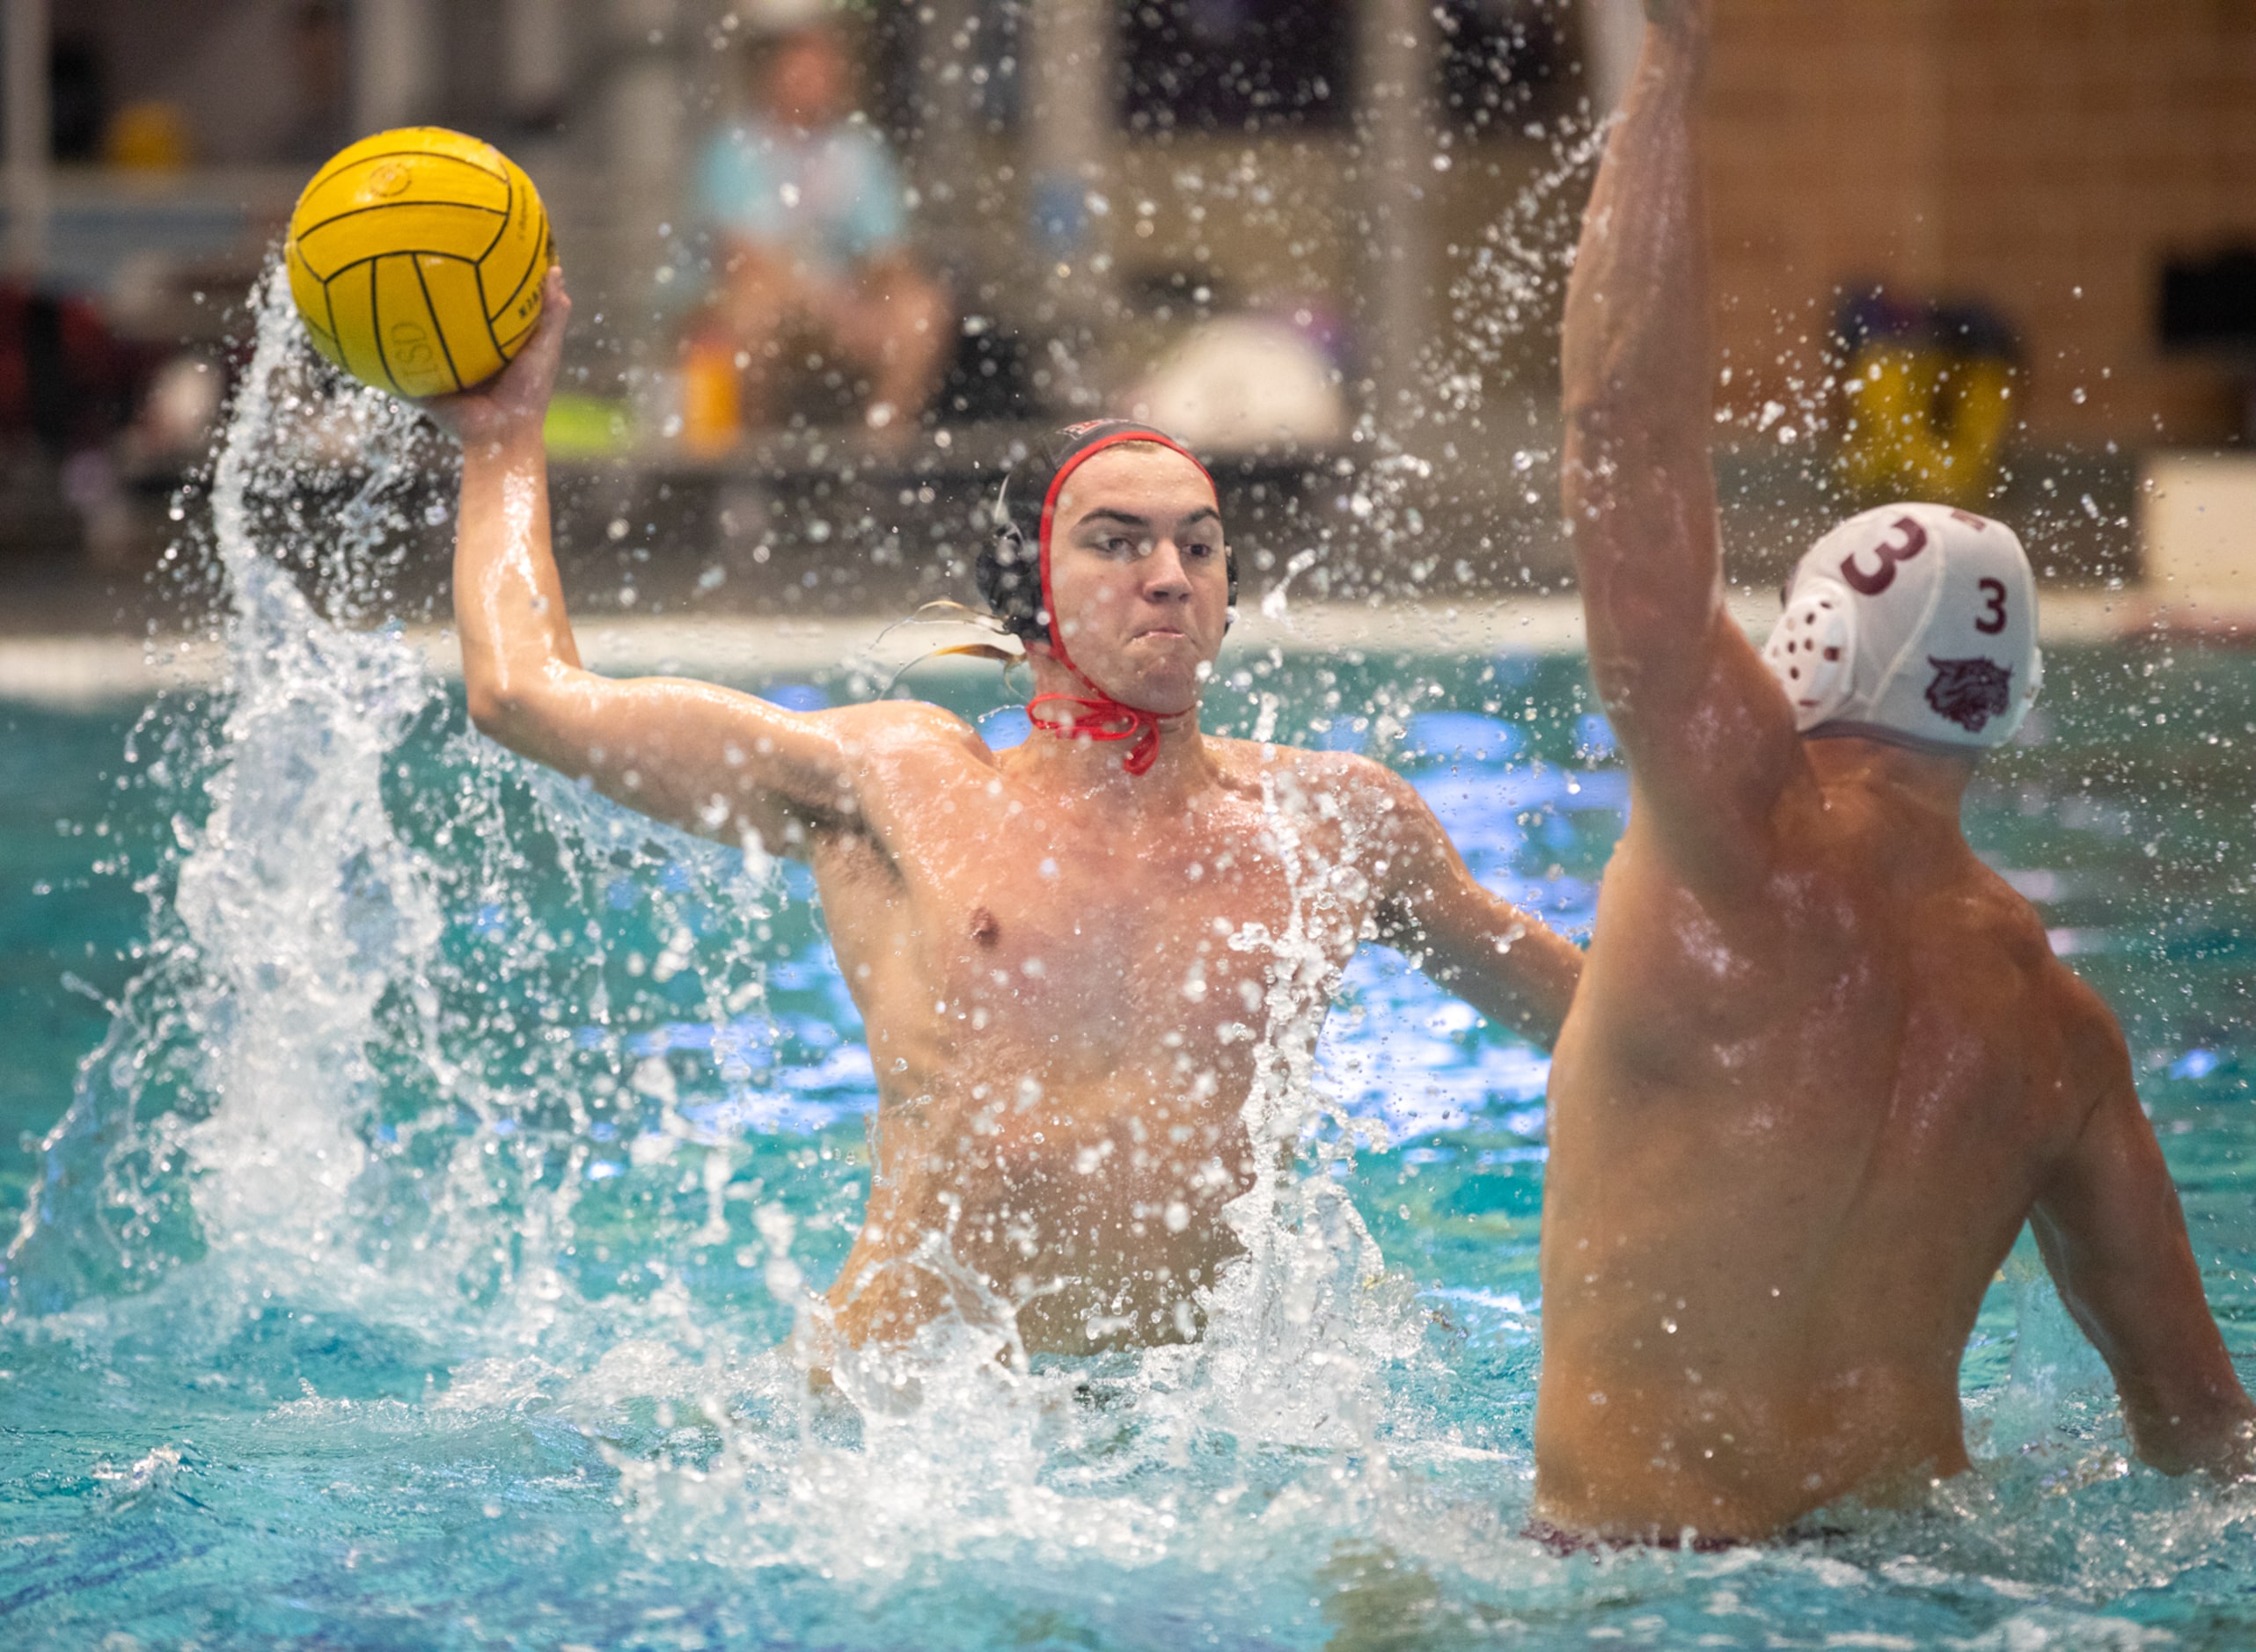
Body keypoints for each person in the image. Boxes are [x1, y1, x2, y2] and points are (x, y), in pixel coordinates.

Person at [430, 268, 1584, 1357]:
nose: (1173, 574)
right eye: (1118, 543)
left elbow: (1609, 1025)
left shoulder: (1335, 824)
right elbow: (525, 694)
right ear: (1030, 595)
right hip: (918, 1435)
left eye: (1200, 542)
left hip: (1195, 1437)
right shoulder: (895, 781)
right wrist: (504, 434)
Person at [1533, 0, 2254, 1546]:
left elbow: (1622, 440)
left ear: (1801, 654)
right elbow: (2202, 1428)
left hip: (1621, 1577)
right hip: (1904, 1586)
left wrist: (1670, 67)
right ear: (1996, 709)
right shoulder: (2057, 1027)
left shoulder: (1733, 837)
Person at [692, 11, 949, 441]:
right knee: (754, 309)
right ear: (771, 74)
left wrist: (876, 294)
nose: (813, 79)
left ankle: (879, 451)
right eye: (800, 66)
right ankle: (753, 465)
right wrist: (832, 306)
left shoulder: (859, 151)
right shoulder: (735, 150)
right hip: (774, 307)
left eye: (822, 65)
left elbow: (888, 253)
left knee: (920, 309)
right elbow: (746, 260)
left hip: (843, 310)